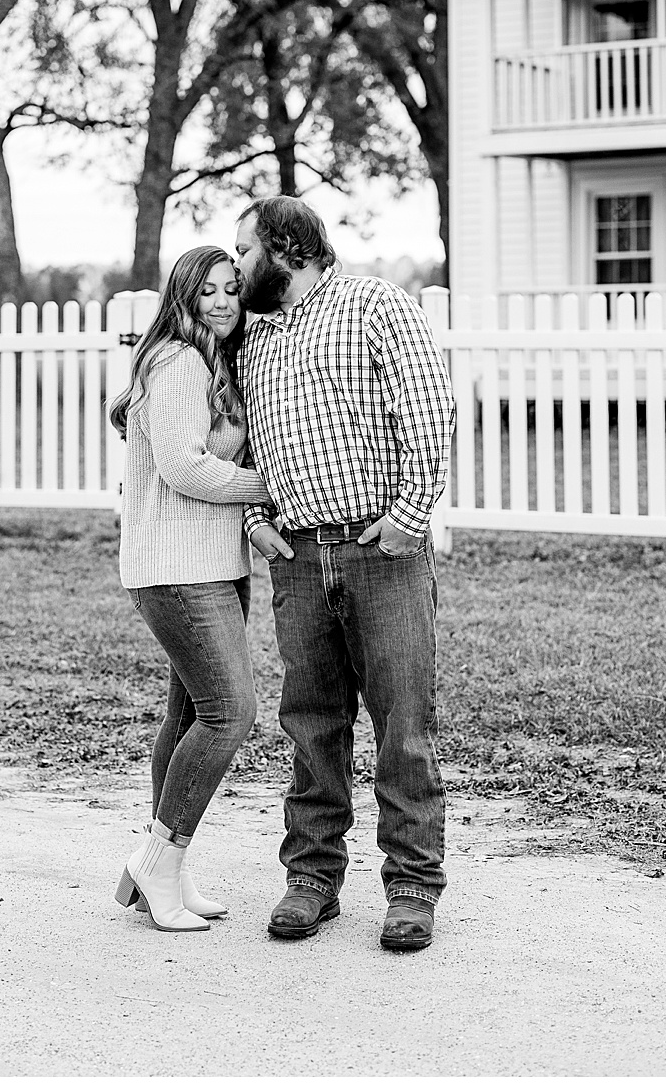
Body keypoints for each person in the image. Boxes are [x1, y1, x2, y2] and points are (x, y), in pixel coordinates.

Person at [234, 195, 455, 952]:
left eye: (244, 251)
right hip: (297, 557)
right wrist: (253, 522)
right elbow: (241, 449)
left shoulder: (372, 305)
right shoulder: (255, 338)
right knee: (311, 722)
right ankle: (312, 879)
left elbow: (429, 412)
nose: (236, 268)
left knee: (402, 721)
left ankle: (413, 886)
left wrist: (409, 516)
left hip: (380, 552)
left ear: (286, 247)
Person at [108, 245, 276, 932]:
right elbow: (185, 468)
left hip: (213, 565)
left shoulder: (213, 364)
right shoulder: (177, 362)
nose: (221, 301)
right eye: (206, 290)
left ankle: (164, 867)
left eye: (232, 289)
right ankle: (160, 858)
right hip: (178, 572)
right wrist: (271, 486)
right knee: (230, 713)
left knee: (186, 718)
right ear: (182, 297)